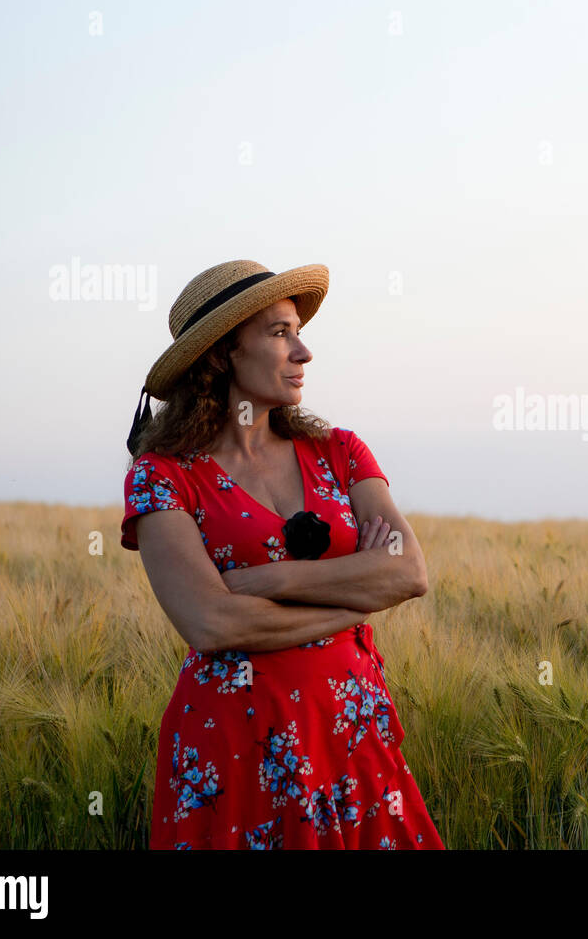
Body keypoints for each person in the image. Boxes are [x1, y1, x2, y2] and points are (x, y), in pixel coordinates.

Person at [120, 259, 444, 849]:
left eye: (298, 331)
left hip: (348, 733)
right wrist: (354, 604)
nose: (303, 352)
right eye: (279, 333)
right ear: (222, 354)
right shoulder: (162, 477)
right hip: (232, 751)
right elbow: (210, 622)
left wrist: (265, 578)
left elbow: (408, 570)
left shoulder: (339, 452)